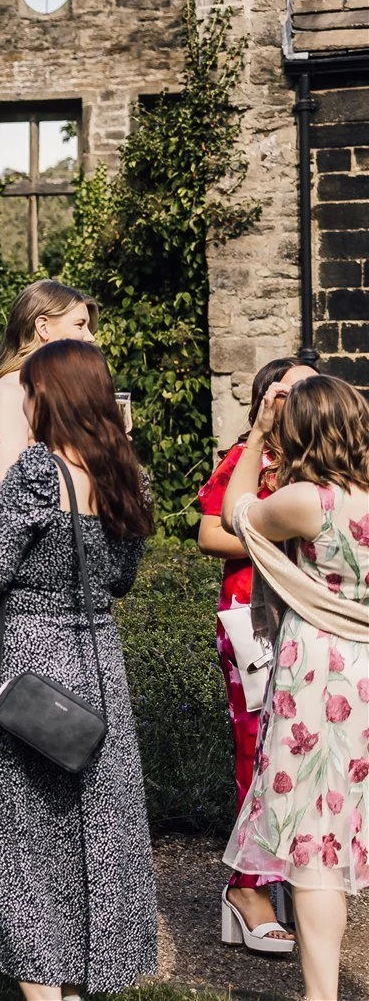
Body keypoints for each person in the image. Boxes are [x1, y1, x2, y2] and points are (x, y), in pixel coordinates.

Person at [0, 339, 158, 999]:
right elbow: (121, 578)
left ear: (53, 397)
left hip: (24, 668)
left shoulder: (37, 470)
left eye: (32, 392)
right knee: (88, 836)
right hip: (97, 670)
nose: (27, 404)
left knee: (21, 843)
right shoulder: (125, 470)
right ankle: (82, 978)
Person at [219, 373, 369, 1001]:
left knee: (317, 844)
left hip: (321, 674)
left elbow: (234, 514)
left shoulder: (311, 501)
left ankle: (321, 996)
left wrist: (255, 435)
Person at [195, 355, 318, 954]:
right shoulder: (253, 457)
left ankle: (287, 876)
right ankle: (248, 890)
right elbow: (210, 534)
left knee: (304, 754)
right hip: (254, 619)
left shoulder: (323, 457)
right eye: (286, 388)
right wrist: (282, 527)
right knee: (259, 750)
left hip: (310, 621)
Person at [0, 280, 97, 495]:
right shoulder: (9, 394)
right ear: (43, 327)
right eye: (80, 325)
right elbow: (0, 496)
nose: (91, 337)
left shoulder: (68, 392)